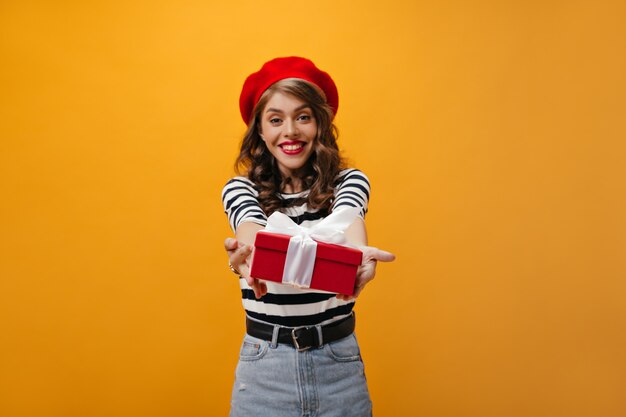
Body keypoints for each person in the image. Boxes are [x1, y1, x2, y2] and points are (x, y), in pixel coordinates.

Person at [221, 56, 395, 417]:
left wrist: (360, 255)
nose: (290, 131)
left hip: (338, 364)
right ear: (260, 131)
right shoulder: (241, 189)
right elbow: (250, 230)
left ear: (320, 123)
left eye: (303, 117)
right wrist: (246, 257)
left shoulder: (349, 182)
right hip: (264, 368)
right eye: (275, 119)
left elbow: (349, 222)